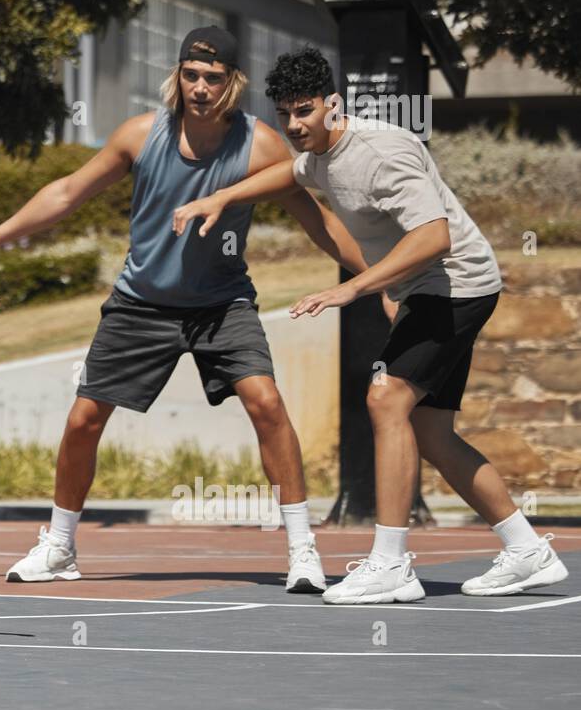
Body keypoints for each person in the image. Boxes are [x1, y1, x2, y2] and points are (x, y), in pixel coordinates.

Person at [0, 27, 371, 593]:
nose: (200, 87)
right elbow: (67, 192)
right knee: (83, 421)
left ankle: (302, 552)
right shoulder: (139, 135)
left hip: (222, 303)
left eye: (214, 78)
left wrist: (374, 277)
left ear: (232, 83)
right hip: (140, 303)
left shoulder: (260, 144)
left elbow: (315, 220)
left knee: (266, 404)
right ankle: (59, 546)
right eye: (191, 75)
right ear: (177, 76)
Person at [173, 45, 568, 604]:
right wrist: (220, 197)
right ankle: (528, 550)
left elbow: (434, 237)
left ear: (333, 104)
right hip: (433, 289)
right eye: (284, 113)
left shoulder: (383, 153)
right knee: (430, 432)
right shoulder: (318, 154)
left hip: (454, 285)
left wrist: (356, 287)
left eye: (305, 111)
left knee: (385, 400)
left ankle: (391, 565)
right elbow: (289, 173)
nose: (294, 124)